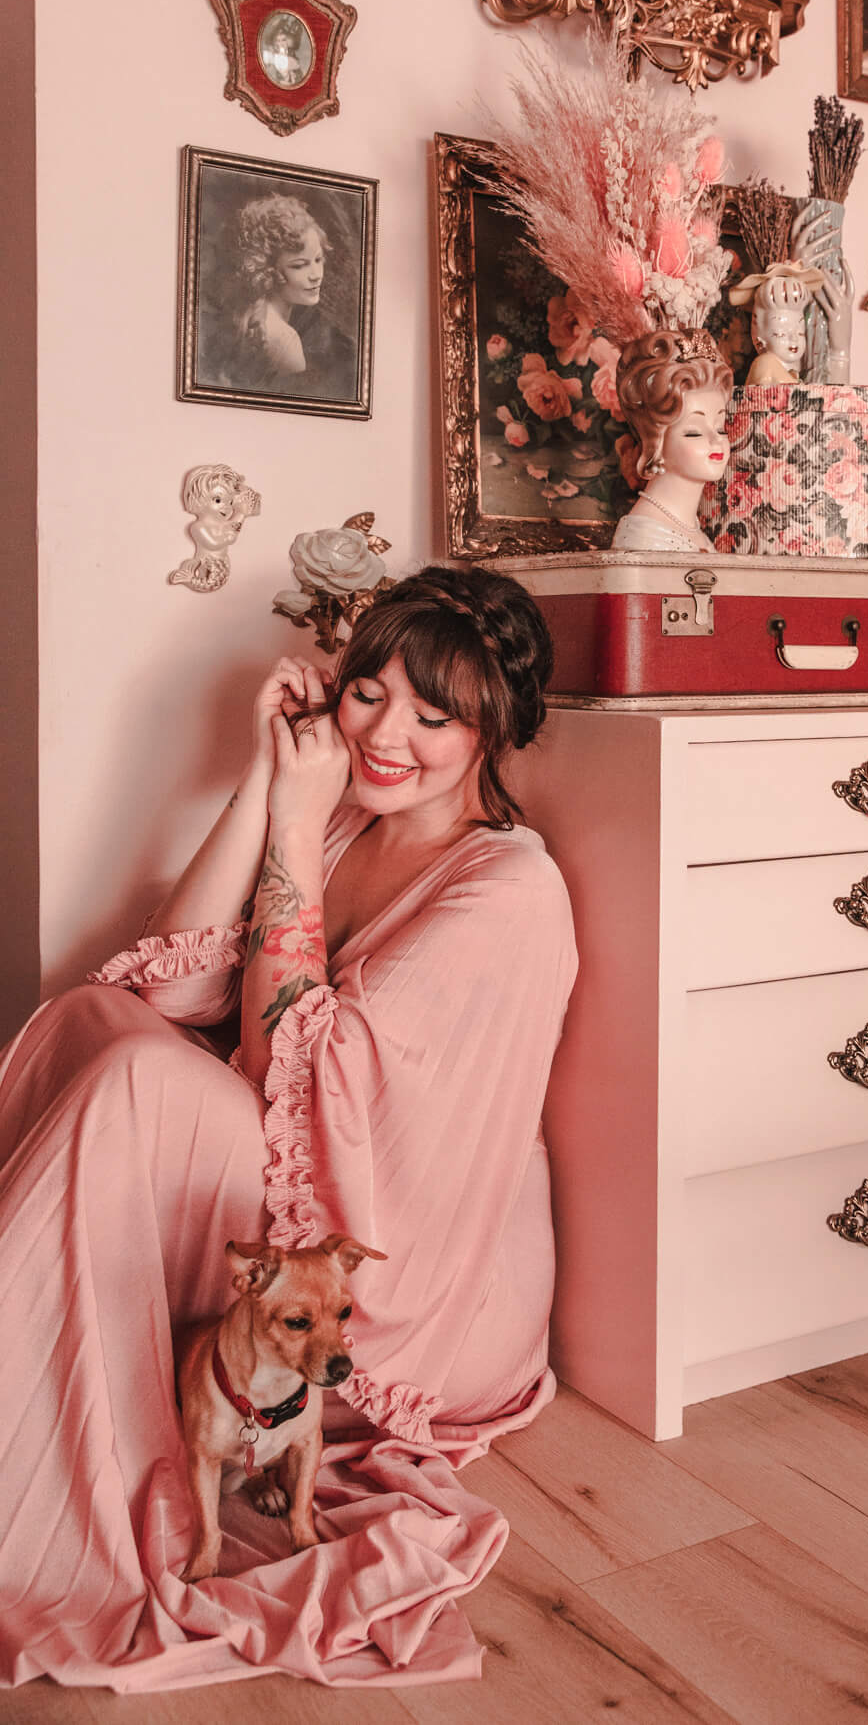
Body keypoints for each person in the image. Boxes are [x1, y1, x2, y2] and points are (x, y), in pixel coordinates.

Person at [0, 565, 577, 1688]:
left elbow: (293, 1079)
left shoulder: (509, 892)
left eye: (433, 714)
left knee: (139, 1081)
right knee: (96, 1018)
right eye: (368, 692)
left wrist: (301, 821)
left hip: (389, 1260)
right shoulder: (347, 814)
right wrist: (270, 791)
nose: (385, 733)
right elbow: (171, 986)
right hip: (287, 1154)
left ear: (493, 730)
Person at [203, 191, 356, 403]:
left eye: (318, 260)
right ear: (267, 269)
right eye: (299, 265)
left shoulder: (249, 312)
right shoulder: (285, 341)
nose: (316, 275)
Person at [611, 327, 732, 551]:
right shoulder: (647, 540)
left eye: (721, 427)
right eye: (694, 432)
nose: (717, 441)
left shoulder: (691, 529)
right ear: (655, 440)